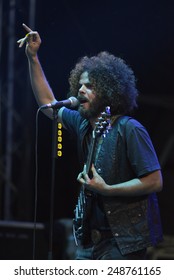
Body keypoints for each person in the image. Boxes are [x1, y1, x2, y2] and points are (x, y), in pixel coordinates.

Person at [17, 23, 163, 260]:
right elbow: (47, 102)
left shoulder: (130, 129)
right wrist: (33, 58)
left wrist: (108, 189)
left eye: (90, 86)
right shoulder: (82, 123)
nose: (81, 90)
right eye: (81, 84)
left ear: (108, 92)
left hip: (122, 241)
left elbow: (155, 181)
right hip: (88, 239)